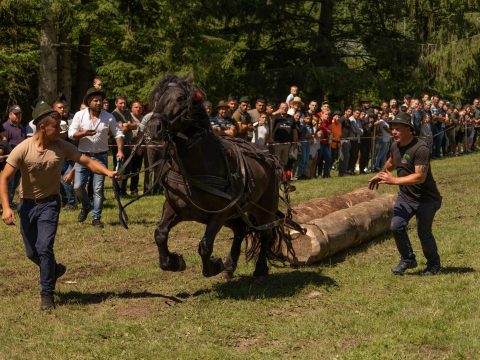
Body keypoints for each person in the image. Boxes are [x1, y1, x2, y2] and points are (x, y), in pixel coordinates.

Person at [0, 101, 117, 310]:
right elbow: (4, 177)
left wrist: (108, 172)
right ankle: (54, 269)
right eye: (56, 126)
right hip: (26, 206)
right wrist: (7, 208)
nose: (61, 130)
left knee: (44, 247)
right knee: (31, 253)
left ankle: (47, 294)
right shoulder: (23, 149)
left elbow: (87, 161)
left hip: (50, 204)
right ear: (43, 127)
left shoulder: (61, 146)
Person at [368, 112, 442, 276]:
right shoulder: (395, 145)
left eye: (397, 129)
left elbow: (420, 176)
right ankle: (408, 259)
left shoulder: (421, 148)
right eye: (392, 128)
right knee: (396, 226)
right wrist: (381, 174)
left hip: (426, 199)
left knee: (423, 233)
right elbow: (392, 161)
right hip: (406, 196)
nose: (393, 132)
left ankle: (433, 264)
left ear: (409, 129)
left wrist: (393, 181)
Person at [68, 87, 125, 228]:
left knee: (98, 189)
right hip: (82, 157)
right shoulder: (79, 115)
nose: (99, 103)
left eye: (100, 100)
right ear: (89, 102)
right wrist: (84, 134)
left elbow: (118, 133)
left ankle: (96, 218)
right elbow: (71, 133)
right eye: (95, 100)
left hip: (101, 157)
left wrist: (120, 150)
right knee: (77, 187)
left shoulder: (109, 117)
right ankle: (86, 206)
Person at [2, 105, 27, 207]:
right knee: (9, 182)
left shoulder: (22, 127)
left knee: (15, 182)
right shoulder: (4, 127)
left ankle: (10, 201)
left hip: (20, 160)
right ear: (10, 114)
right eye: (15, 114)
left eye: (19, 114)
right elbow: (3, 144)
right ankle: (6, 203)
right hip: (9, 160)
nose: (18, 116)